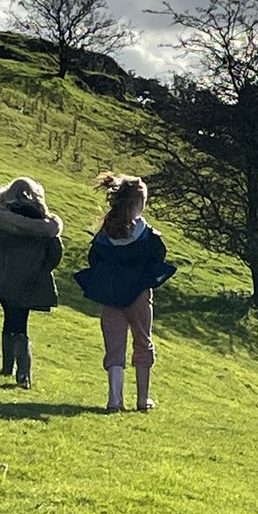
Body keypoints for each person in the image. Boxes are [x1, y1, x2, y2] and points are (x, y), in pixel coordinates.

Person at [73, 172, 176, 412]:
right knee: (142, 342)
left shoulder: (104, 235)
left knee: (114, 345)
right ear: (139, 203)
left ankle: (114, 399)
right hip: (139, 295)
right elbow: (158, 259)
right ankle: (142, 399)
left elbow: (94, 261)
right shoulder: (148, 236)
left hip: (110, 295)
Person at [0, 177, 63, 389]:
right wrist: (41, 269)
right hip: (29, 280)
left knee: (10, 316)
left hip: (3, 278)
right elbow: (55, 253)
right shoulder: (44, 224)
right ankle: (22, 373)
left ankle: (9, 368)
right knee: (20, 320)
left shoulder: (0, 221)